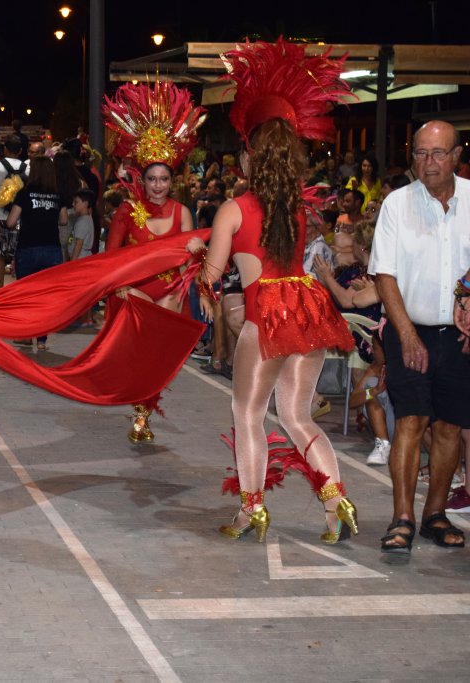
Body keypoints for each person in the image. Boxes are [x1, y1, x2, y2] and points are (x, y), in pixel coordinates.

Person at [197, 38, 357, 545]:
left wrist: (199, 259)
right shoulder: (297, 209)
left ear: (249, 155)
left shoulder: (233, 209)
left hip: (265, 316)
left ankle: (252, 510)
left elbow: (212, 275)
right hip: (307, 311)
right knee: (297, 415)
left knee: (246, 412)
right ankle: (336, 505)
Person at [370, 120, 470, 554]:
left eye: (438, 153)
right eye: (420, 153)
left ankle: (434, 514)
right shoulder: (397, 204)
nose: (428, 162)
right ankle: (402, 518)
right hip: (408, 328)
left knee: (449, 426)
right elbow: (384, 275)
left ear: (456, 156)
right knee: (410, 421)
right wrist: (407, 335)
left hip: (459, 337)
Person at [103, 79, 205, 442]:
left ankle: (142, 414)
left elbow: (189, 263)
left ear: (172, 181)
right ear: (142, 180)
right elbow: (110, 257)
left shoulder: (183, 213)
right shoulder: (127, 211)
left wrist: (198, 255)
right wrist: (121, 286)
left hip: (169, 293)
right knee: (140, 353)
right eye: (152, 179)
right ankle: (139, 411)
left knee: (156, 359)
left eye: (163, 179)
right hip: (135, 292)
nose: (158, 185)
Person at [6, 156, 66, 351]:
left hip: (28, 248)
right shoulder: (57, 194)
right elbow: (64, 220)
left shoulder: (24, 193)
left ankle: (26, 335)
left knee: (26, 294)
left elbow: (11, 222)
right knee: (45, 297)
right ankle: (41, 340)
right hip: (52, 249)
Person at [0, 134, 27, 288]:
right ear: (20, 150)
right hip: (21, 217)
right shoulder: (27, 167)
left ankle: (0, 288)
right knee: (20, 252)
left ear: (5, 149)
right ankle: (19, 288)